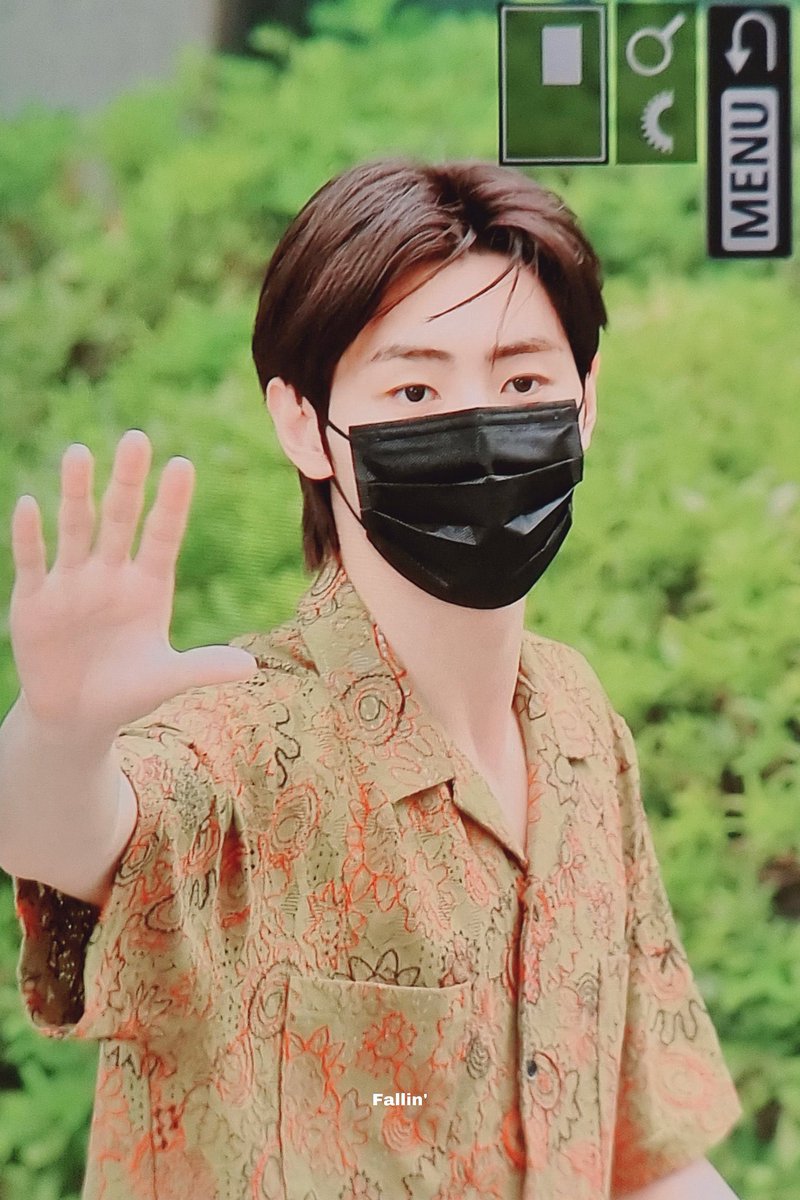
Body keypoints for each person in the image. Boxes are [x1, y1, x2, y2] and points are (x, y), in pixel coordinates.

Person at [0, 157, 743, 1200]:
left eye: (522, 383)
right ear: (303, 424)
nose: (479, 428)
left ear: (584, 405)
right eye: (414, 389)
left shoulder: (579, 725)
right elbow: (65, 835)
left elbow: (642, 1151)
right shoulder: (246, 740)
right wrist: (60, 733)